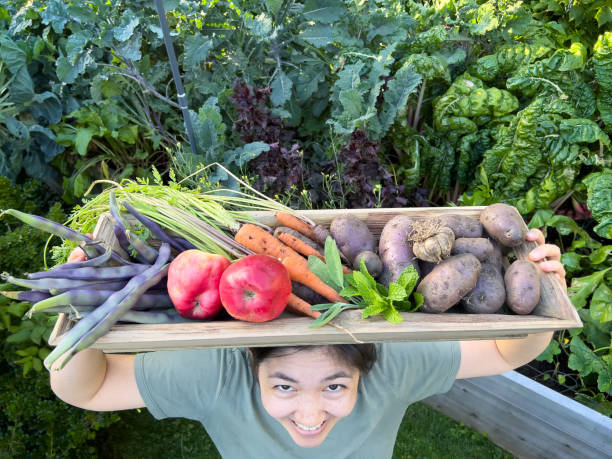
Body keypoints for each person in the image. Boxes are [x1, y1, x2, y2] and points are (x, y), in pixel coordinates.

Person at [52, 228, 566, 458]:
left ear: (364, 372)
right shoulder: (218, 377)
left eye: (337, 385)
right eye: (284, 386)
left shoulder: (390, 367)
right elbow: (88, 388)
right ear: (252, 368)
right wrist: (83, 307)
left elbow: (506, 351)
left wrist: (545, 298)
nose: (311, 411)